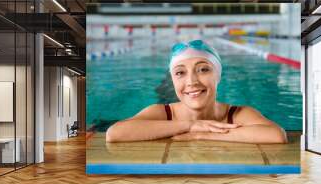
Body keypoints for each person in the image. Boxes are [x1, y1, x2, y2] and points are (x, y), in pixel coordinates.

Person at [106, 39, 287, 144]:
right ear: (173, 80)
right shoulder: (161, 112)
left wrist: (203, 135)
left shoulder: (238, 113)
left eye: (203, 69)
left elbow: (276, 135)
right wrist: (190, 125)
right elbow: (114, 134)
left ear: (218, 75)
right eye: (180, 73)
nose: (191, 81)